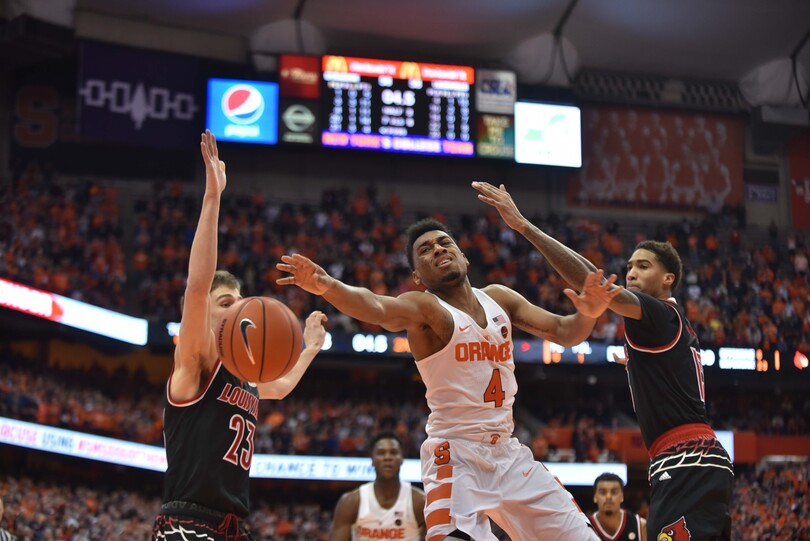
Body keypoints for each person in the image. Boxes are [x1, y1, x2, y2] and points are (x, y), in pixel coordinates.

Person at [277, 218, 621, 540]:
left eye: (444, 243)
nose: (438, 249)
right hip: (454, 455)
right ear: (417, 277)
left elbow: (565, 331)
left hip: (509, 452)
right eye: (425, 250)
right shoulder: (426, 309)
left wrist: (588, 312)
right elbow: (377, 308)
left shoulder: (500, 298)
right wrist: (327, 285)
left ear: (464, 257)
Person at [473, 181, 734, 541]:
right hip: (693, 459)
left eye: (644, 266)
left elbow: (593, 284)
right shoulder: (669, 321)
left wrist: (523, 226)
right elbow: (598, 282)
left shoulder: (657, 314)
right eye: (629, 266)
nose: (631, 273)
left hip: (686, 459)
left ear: (668, 279)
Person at [152, 131, 327, 541]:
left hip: (233, 525)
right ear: (204, 310)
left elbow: (280, 387)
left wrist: (311, 349)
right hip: (187, 521)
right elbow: (197, 286)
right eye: (227, 301)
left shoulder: (245, 372)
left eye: (241, 302)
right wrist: (213, 197)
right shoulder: (195, 362)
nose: (240, 310)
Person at [330, 432, 426, 541]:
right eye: (381, 453)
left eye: (393, 453)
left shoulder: (420, 501)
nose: (387, 457)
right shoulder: (351, 502)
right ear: (372, 459)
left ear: (402, 459)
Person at [589, 473, 647, 541]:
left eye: (614, 492)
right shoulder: (585, 526)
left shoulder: (640, 525)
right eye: (603, 492)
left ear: (622, 496)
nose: (608, 497)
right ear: (595, 497)